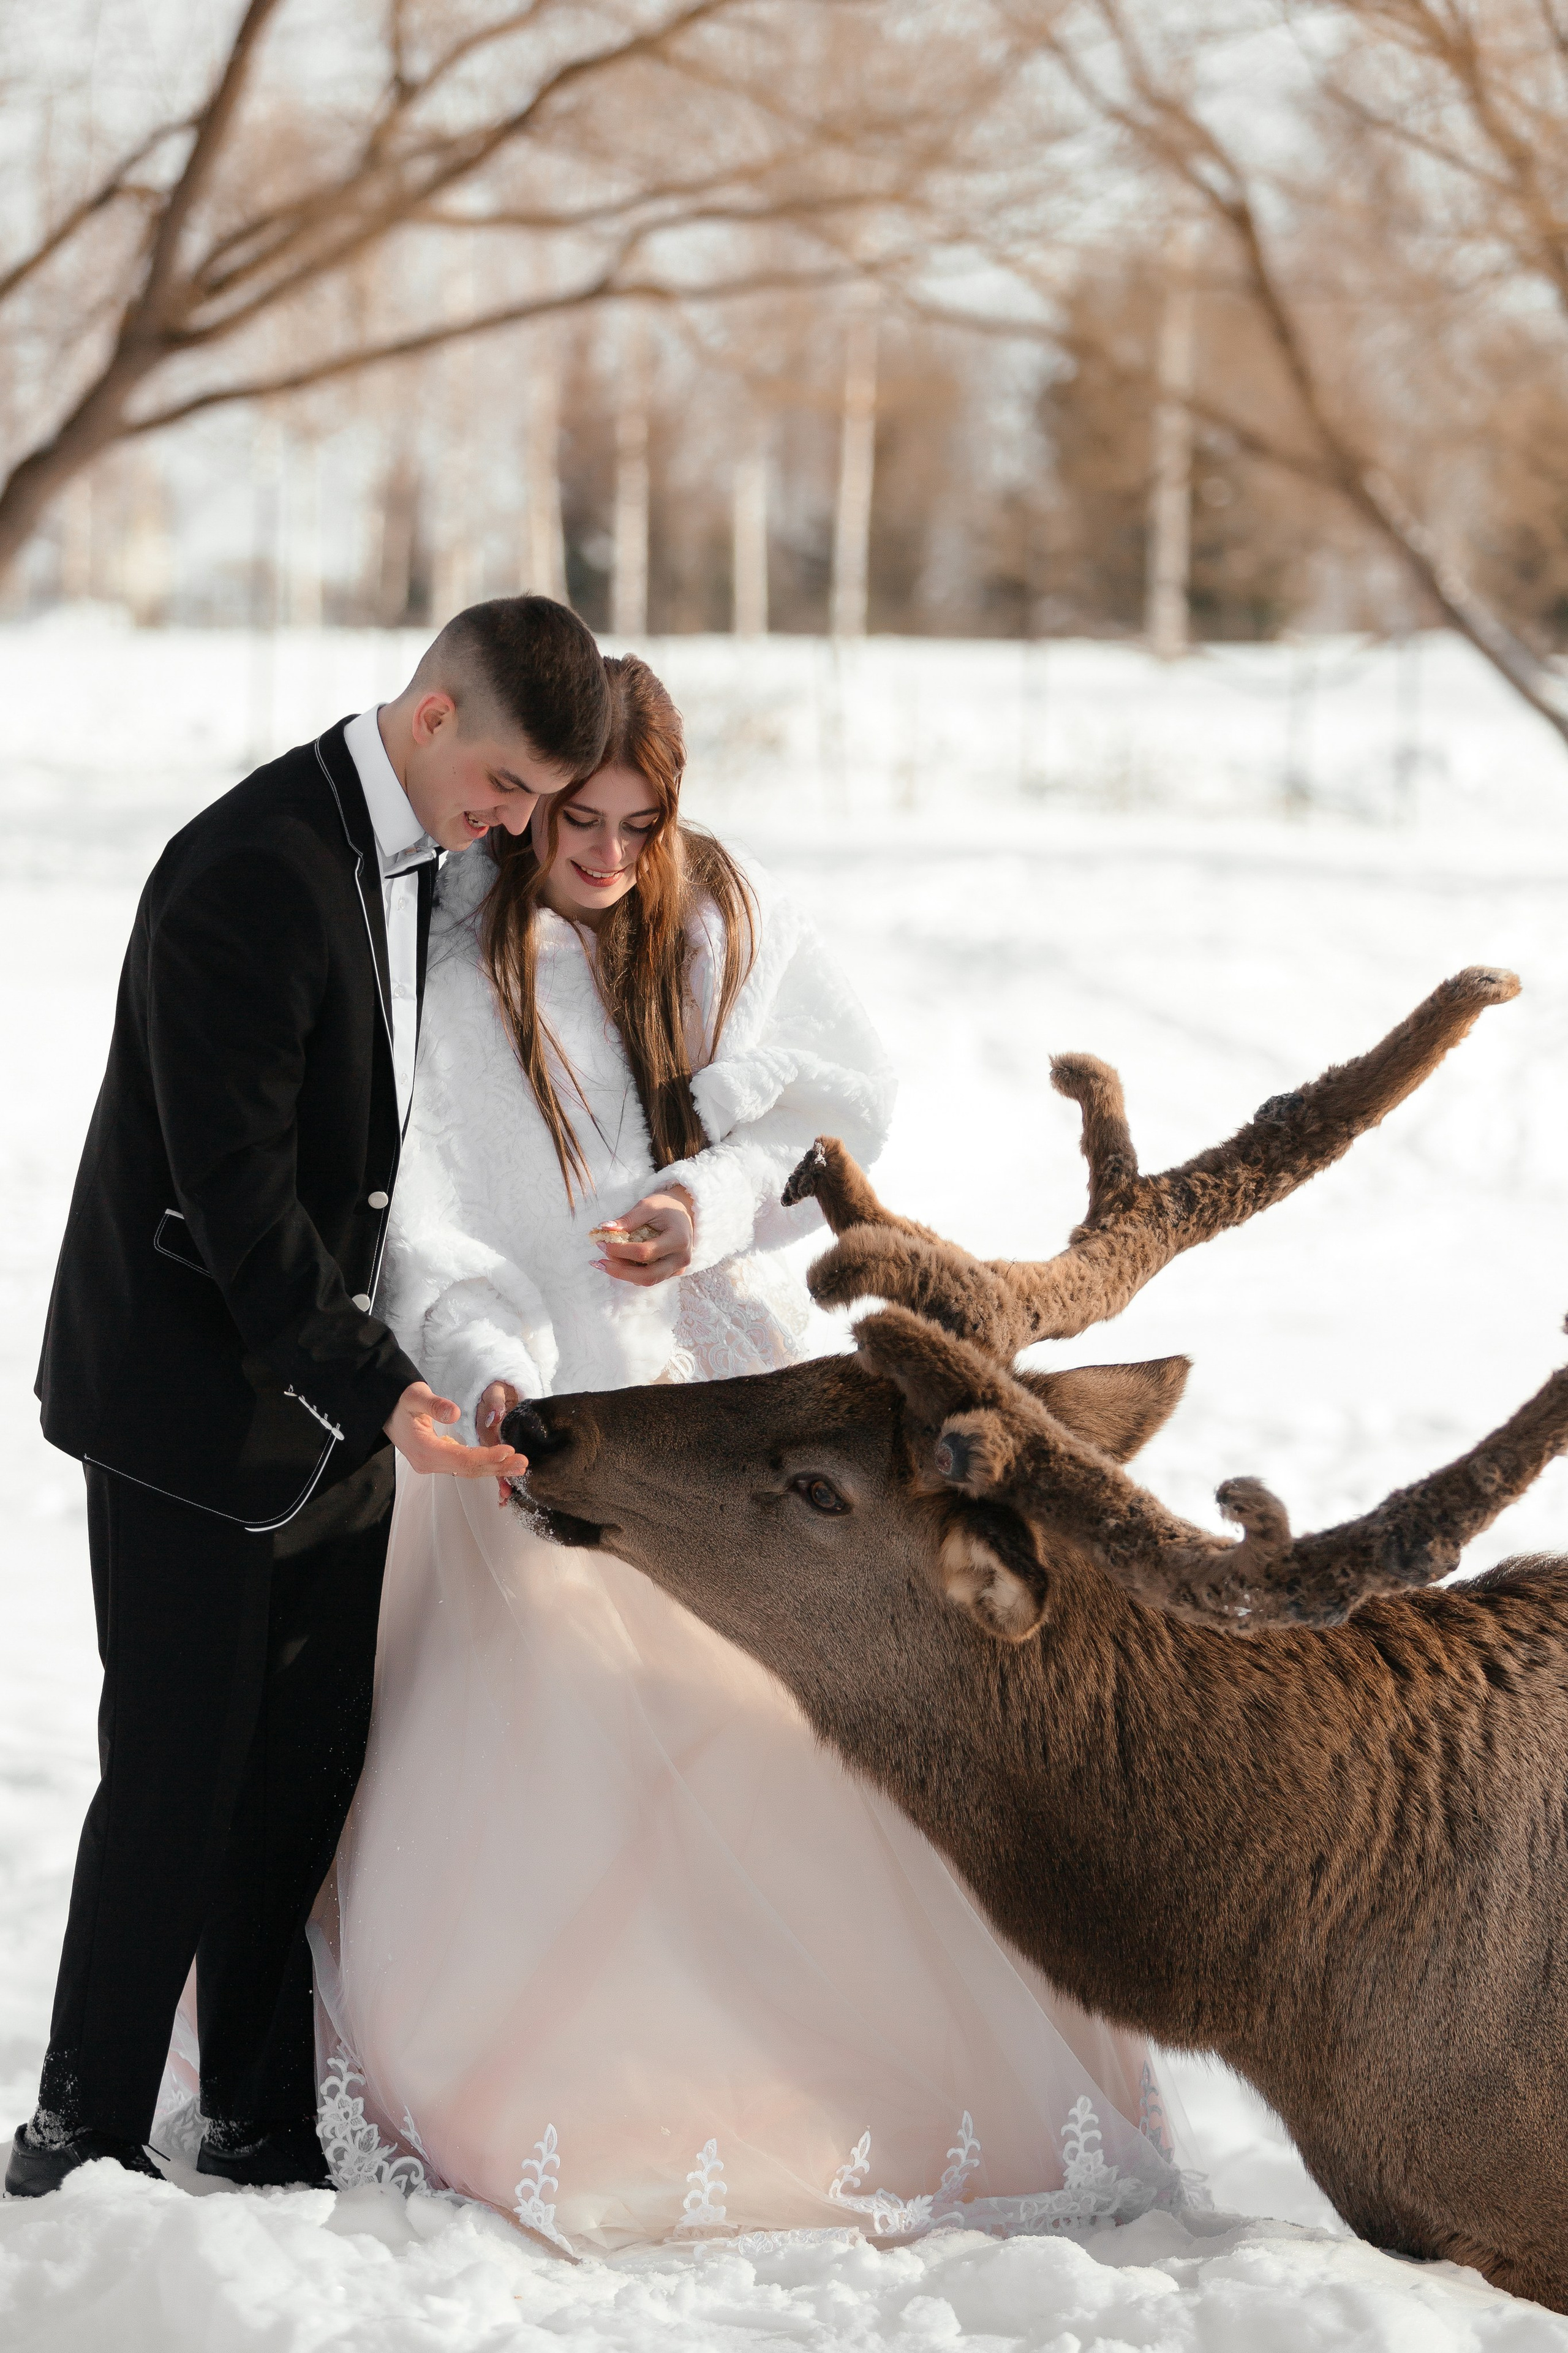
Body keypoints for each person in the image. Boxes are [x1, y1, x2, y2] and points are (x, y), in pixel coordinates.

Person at [320, 652, 1191, 2250]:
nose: (608, 857)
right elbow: (420, 1206)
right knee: (525, 1754)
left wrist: (704, 1204)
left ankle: (826, 2084)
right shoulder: (453, 942)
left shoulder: (711, 907)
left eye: (641, 823)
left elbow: (837, 1105)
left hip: (708, 1393)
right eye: (578, 821)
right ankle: (568, 2078)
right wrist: (498, 1359)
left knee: (784, 1723)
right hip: (529, 1404)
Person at [6, 598, 609, 2200]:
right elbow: (233, 1198)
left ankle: (259, 2115)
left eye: (532, 804)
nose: (509, 826)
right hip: (193, 1406)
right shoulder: (253, 875)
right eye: (500, 787)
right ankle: (77, 2132)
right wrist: (375, 1384)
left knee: (302, 1770)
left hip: (335, 1402)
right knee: (179, 1776)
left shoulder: (418, 853)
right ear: (429, 718)